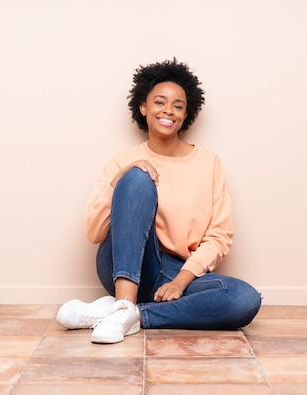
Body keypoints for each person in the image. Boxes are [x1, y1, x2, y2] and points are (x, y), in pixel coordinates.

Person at [55, 58, 262, 344]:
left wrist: (181, 280)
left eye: (177, 106)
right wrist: (122, 179)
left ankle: (129, 313)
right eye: (160, 102)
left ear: (186, 113)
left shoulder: (209, 162)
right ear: (143, 107)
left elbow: (219, 235)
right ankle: (125, 300)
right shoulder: (122, 161)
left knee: (244, 299)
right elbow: (94, 232)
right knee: (138, 177)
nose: (168, 111)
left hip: (178, 272)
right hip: (126, 265)